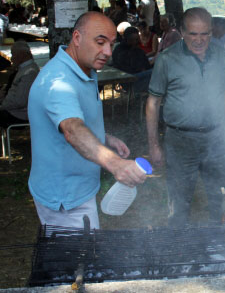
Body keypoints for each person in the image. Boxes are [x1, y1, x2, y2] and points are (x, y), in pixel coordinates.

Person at [27, 12, 147, 229]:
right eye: (100, 42)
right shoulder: (58, 82)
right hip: (65, 198)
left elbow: (74, 119)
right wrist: (116, 164)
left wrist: (103, 137)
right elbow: (72, 129)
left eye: (111, 44)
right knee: (79, 260)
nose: (108, 52)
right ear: (77, 38)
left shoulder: (83, 69)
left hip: (79, 187)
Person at [146, 7, 225, 226]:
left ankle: (223, 244)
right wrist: (154, 145)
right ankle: (179, 248)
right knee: (179, 201)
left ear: (211, 32)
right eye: (193, 34)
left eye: (205, 33)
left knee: (222, 195)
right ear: (182, 32)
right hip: (180, 141)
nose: (199, 40)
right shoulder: (167, 59)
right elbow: (152, 103)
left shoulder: (221, 55)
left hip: (217, 137)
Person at [0, 41, 39, 128]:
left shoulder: (29, 72)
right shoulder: (24, 69)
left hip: (18, 114)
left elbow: (20, 101)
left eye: (13, 54)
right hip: (15, 110)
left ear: (21, 55)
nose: (12, 58)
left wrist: (3, 105)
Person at [112, 27, 152, 93]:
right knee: (154, 72)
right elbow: (124, 69)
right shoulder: (120, 50)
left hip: (140, 78)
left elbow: (146, 65)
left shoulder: (138, 50)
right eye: (133, 40)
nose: (135, 42)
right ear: (126, 39)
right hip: (129, 81)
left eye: (136, 39)